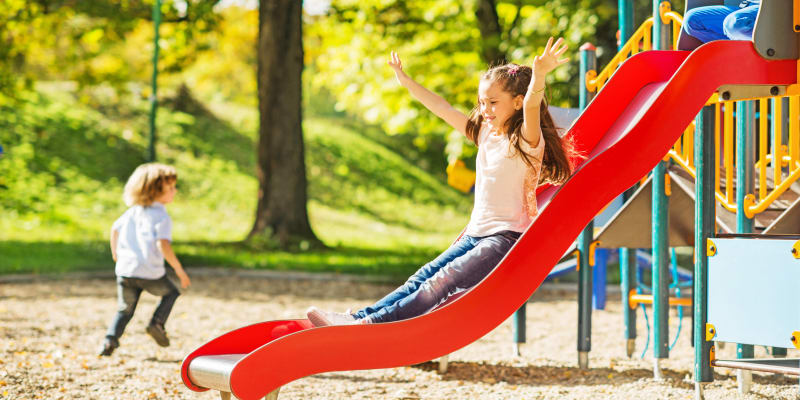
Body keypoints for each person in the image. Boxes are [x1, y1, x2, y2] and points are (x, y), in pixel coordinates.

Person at [306, 37, 576, 327]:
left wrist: (539, 76)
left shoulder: (526, 139)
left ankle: (370, 324)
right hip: (475, 234)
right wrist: (407, 82)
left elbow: (534, 104)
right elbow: (443, 108)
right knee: (422, 277)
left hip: (505, 238)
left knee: (441, 282)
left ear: (517, 102)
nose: (485, 109)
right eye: (482, 102)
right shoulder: (485, 133)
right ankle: (358, 317)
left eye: (493, 102)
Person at [99, 163, 191, 356]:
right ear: (155, 191)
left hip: (126, 271)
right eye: (171, 188)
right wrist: (179, 269)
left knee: (125, 309)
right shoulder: (162, 217)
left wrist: (116, 253)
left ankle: (109, 342)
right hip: (150, 273)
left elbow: (114, 229)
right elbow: (163, 245)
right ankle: (156, 323)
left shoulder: (133, 211)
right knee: (171, 293)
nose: (175, 191)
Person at [682, 0, 760, 44]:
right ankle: (732, 48)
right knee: (693, 20)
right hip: (746, 6)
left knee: (735, 24)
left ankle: (760, 48)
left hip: (766, 7)